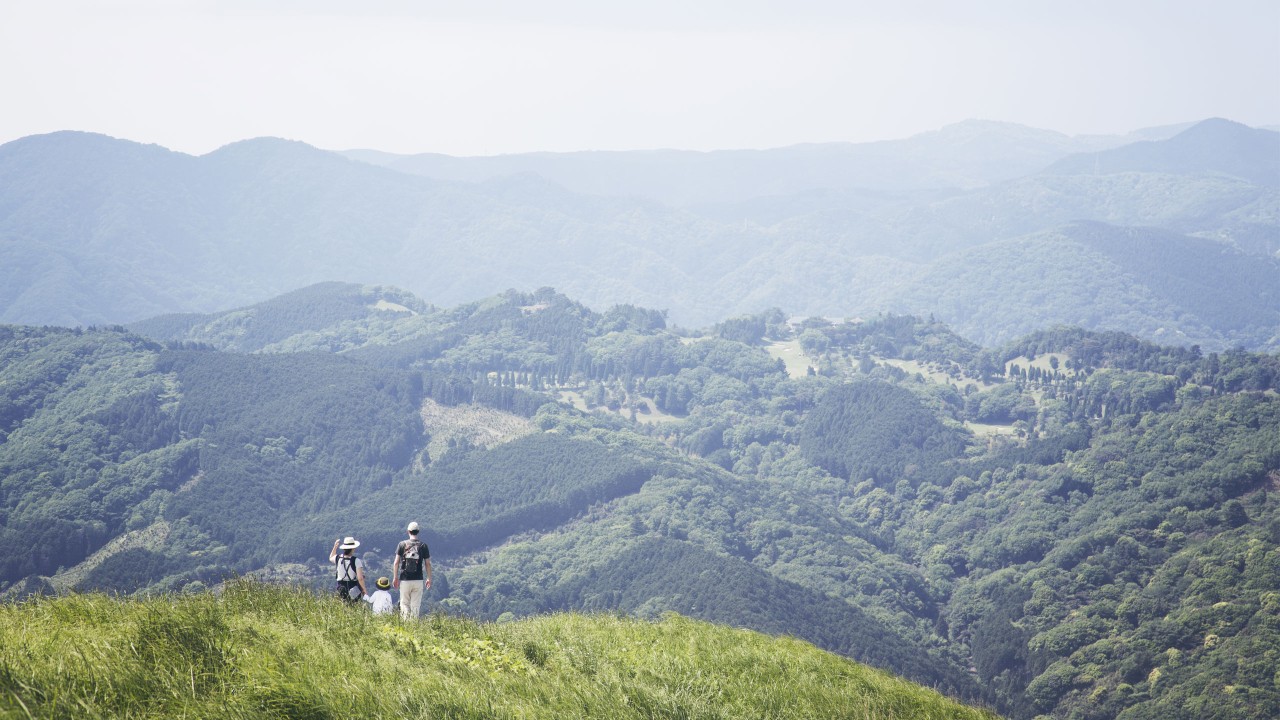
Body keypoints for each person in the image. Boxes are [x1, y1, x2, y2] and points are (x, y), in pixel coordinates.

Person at [392, 521, 432, 620]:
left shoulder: (402, 544)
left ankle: (406, 624)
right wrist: (429, 578)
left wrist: (395, 577)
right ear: (418, 531)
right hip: (418, 579)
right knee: (415, 606)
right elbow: (428, 563)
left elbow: (396, 562)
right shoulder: (423, 546)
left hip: (404, 579)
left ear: (408, 531)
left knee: (404, 603)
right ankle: (413, 626)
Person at [329, 536, 367, 604]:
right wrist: (364, 591)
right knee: (354, 607)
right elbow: (360, 578)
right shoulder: (356, 560)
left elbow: (331, 557)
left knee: (343, 606)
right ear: (353, 548)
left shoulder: (338, 558)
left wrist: (335, 546)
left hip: (341, 587)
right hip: (353, 587)